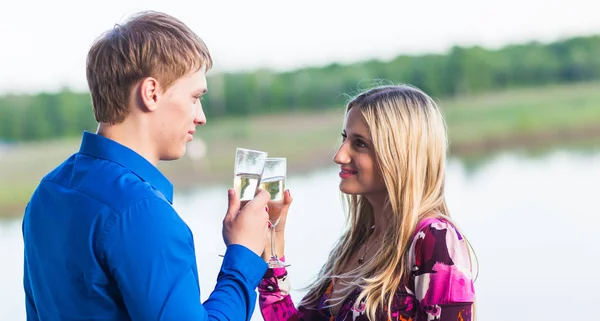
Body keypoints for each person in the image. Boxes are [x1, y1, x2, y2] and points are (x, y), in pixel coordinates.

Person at [22, 11, 271, 321]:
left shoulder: (47, 191)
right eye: (195, 97)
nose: (201, 116)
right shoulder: (141, 212)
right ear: (151, 93)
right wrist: (243, 254)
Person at [259, 84, 476, 320]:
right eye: (345, 138)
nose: (339, 156)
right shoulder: (354, 244)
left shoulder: (435, 239)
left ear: (399, 154)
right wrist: (273, 237)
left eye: (359, 143)